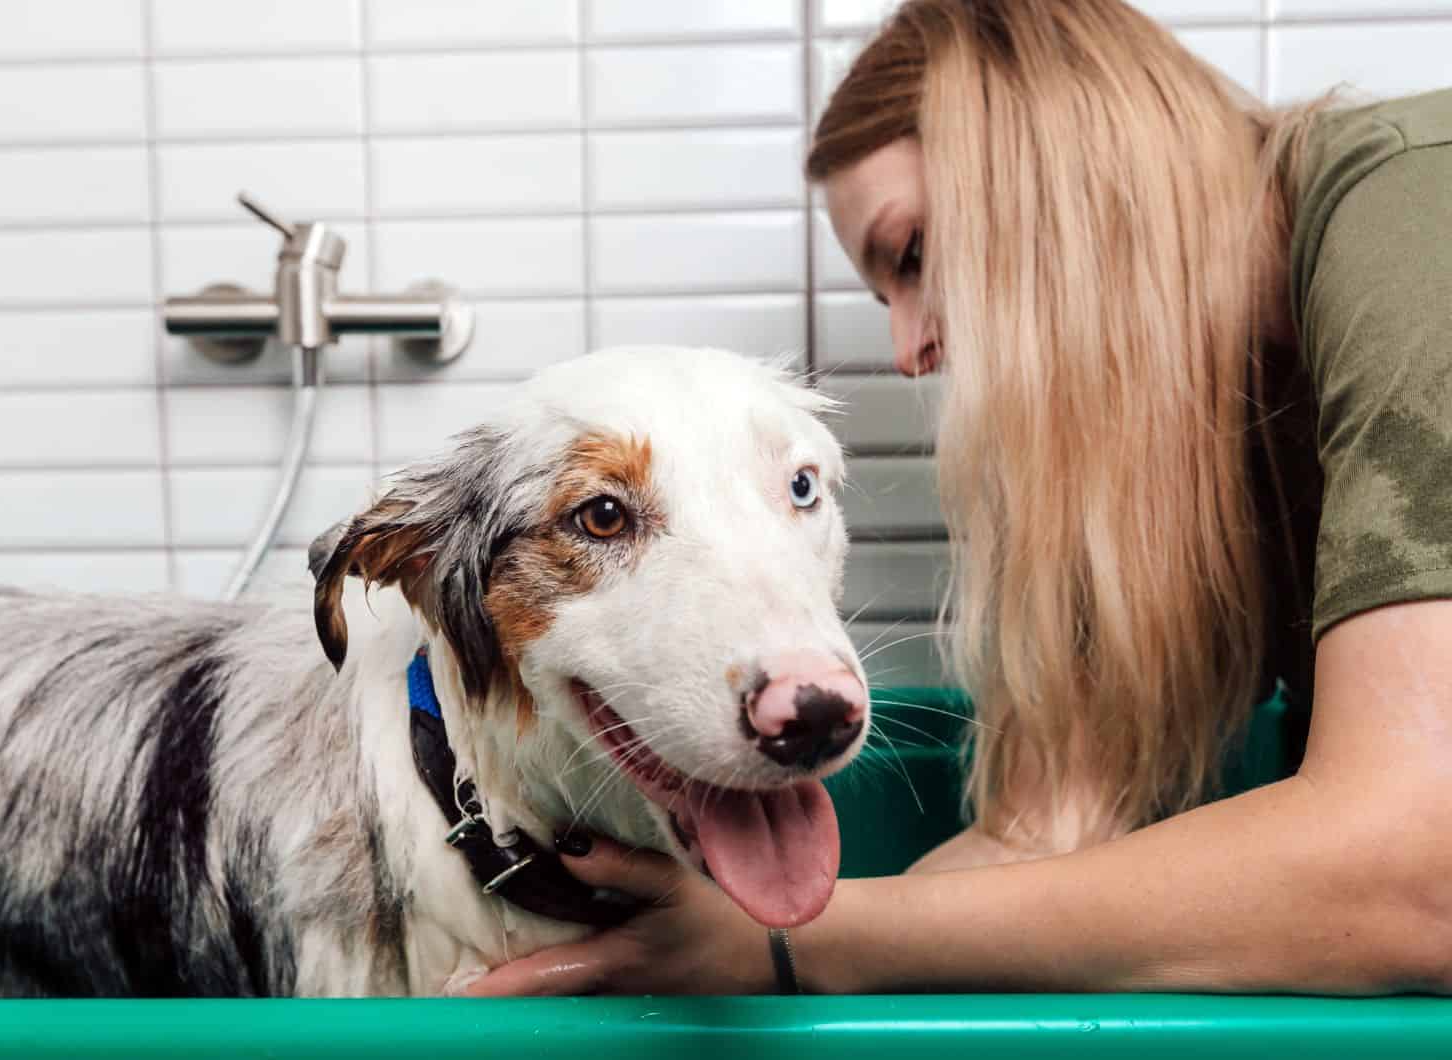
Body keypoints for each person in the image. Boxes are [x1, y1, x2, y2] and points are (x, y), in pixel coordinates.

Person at [471, 0, 1452, 996]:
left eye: (912, 254)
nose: (908, 352)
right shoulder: (1211, 432)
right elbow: (1035, 844)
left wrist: (793, 948)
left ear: (1070, 173)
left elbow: (1422, 877)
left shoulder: (1421, 201)